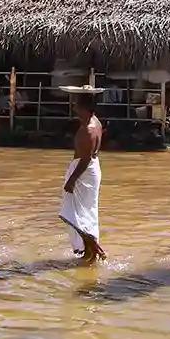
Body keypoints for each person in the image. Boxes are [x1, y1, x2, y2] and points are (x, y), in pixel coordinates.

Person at [61, 86, 107, 264]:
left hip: (84, 171)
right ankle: (90, 254)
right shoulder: (96, 122)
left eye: (76, 105)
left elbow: (85, 159)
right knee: (85, 212)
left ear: (84, 108)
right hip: (90, 170)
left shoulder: (88, 129)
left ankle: (96, 250)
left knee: (77, 214)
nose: (74, 108)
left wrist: (72, 180)